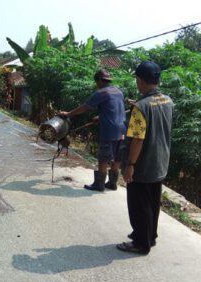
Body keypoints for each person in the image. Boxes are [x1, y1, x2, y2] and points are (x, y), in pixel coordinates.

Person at [117, 61, 173, 255]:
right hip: (160, 160)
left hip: (142, 162)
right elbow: (154, 115)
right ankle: (151, 236)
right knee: (152, 202)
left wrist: (130, 165)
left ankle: (141, 243)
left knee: (139, 204)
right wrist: (137, 105)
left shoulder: (141, 108)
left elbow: (138, 139)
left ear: (140, 81)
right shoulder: (167, 101)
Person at [58, 69, 126, 191]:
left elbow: (85, 107)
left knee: (103, 157)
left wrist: (68, 114)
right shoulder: (118, 92)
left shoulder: (102, 93)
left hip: (109, 130)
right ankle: (112, 183)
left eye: (97, 82)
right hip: (122, 130)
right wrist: (100, 117)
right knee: (117, 156)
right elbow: (114, 110)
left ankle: (99, 184)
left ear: (100, 80)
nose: (97, 85)